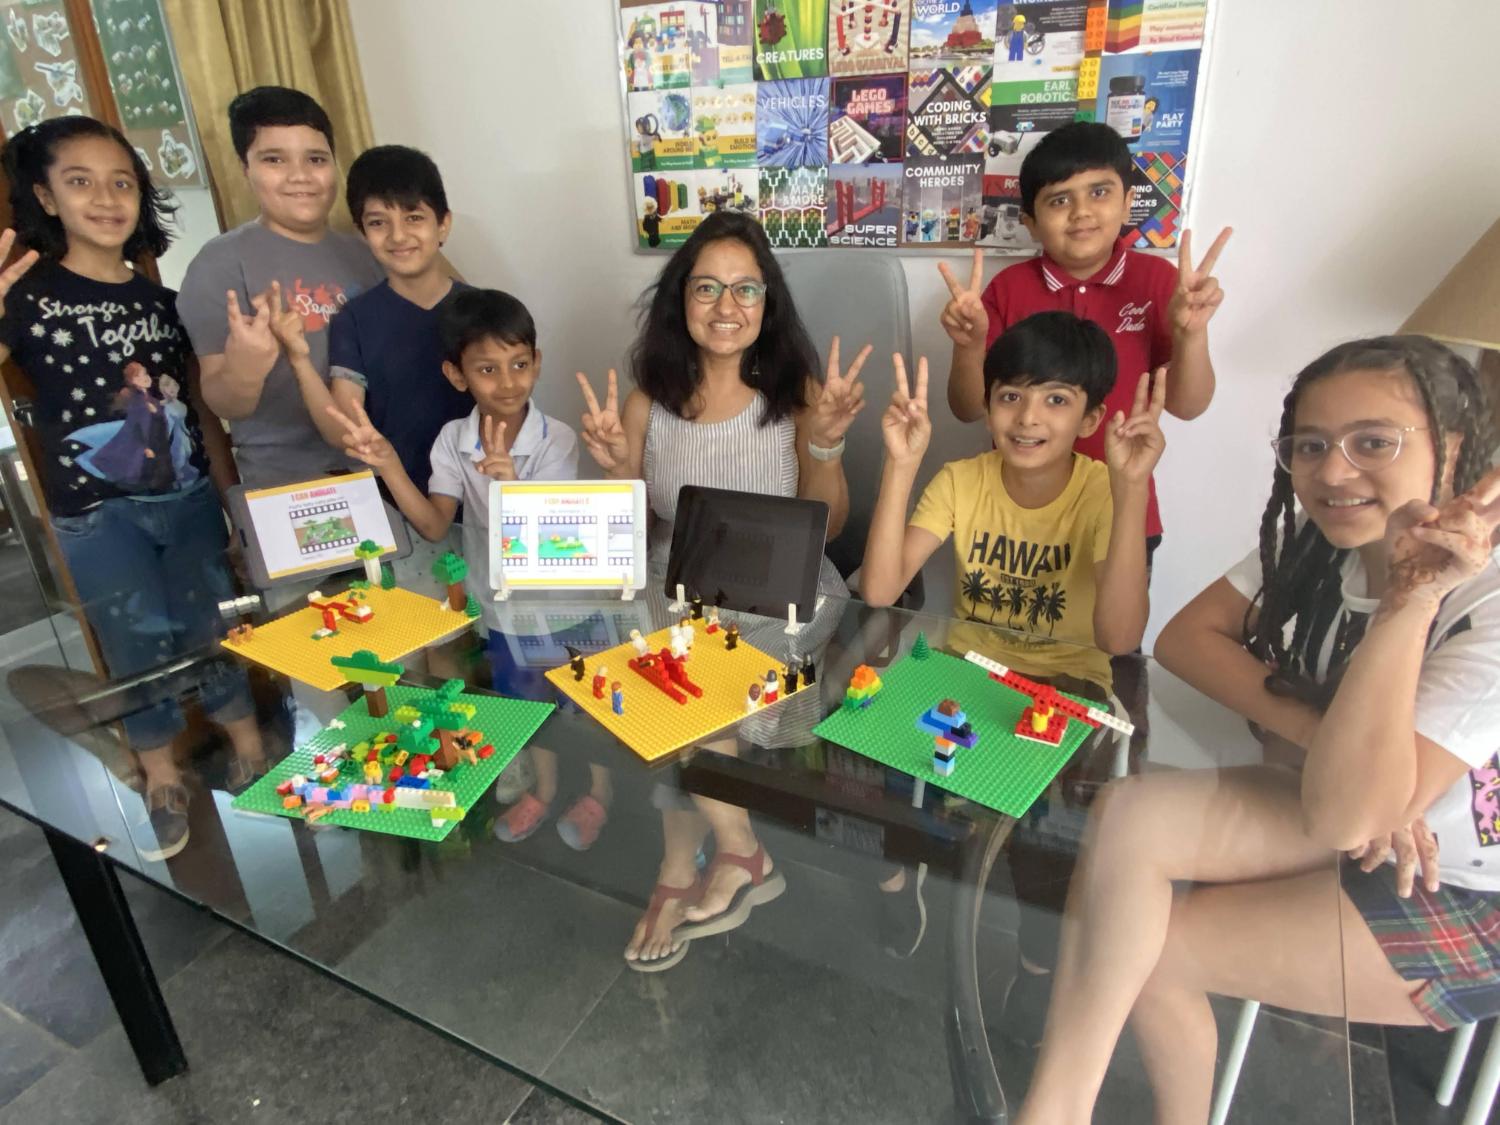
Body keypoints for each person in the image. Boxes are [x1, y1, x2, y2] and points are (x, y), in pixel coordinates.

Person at [1016, 338, 1500, 1123]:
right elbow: (1186, 637)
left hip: (1462, 883)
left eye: (1373, 441)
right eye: (1310, 446)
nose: (1334, 471)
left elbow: (1349, 813)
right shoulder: (1322, 535)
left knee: (1155, 952)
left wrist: (1413, 596)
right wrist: (1323, 736)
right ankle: (1054, 1111)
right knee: (1127, 813)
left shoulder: (1489, 600)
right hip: (1342, 805)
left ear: (1452, 445)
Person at [577, 211, 868, 970]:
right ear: (681, 298)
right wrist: (615, 468)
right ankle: (726, 852)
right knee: (659, 673)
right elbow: (629, 523)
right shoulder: (648, 401)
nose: (726, 306)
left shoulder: (798, 395)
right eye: (706, 287)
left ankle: (700, 863)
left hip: (778, 590)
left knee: (689, 682)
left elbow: (830, 524)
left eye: (746, 289)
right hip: (674, 582)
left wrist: (827, 443)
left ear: (769, 302)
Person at [0, 117, 262, 861]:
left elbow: (201, 411)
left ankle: (249, 741)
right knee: (133, 640)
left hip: (186, 498)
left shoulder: (162, 303)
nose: (106, 198)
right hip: (97, 513)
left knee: (213, 626)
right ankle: (161, 774)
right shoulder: (28, 299)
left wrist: (229, 499)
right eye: (80, 181)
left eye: (122, 182)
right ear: (45, 197)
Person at [327, 289, 608, 847]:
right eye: (487, 369)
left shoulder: (556, 438)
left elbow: (549, 540)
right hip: (504, 609)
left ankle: (601, 792)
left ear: (537, 362)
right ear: (456, 375)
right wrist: (389, 465)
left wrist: (510, 485)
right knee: (527, 705)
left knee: (586, 704)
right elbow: (435, 525)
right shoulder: (453, 441)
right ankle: (545, 790)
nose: (507, 383)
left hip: (568, 605)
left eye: (519, 364)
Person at [939, 121, 1230, 558]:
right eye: (1059, 200)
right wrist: (968, 347)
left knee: (1115, 606)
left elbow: (1188, 406)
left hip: (1120, 509)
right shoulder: (1008, 289)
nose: (1080, 212)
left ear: (1128, 203)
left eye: (1098, 192)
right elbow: (967, 409)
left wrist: (1192, 334)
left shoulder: (1158, 282)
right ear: (1031, 223)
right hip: (1015, 517)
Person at [861, 311, 1165, 688]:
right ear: (988, 410)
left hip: (1070, 683)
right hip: (967, 672)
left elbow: (1119, 639)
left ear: (1090, 419)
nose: (1027, 417)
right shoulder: (959, 481)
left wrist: (1132, 486)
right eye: (1011, 396)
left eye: (1056, 399)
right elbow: (879, 591)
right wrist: (901, 463)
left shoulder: (1104, 491)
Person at [269, 143, 470, 585]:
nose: (398, 236)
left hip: (481, 509)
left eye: (413, 217)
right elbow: (345, 428)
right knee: (420, 621)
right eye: (379, 222)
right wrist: (299, 359)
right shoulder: (356, 319)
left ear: (443, 224)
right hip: (398, 514)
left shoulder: (480, 310)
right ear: (362, 232)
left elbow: (510, 407)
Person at [176, 86, 383, 492]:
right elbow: (224, 403)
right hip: (288, 486)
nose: (300, 176)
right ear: (245, 168)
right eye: (274, 159)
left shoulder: (370, 253)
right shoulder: (219, 264)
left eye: (316, 159)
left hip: (387, 472)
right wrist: (246, 368)